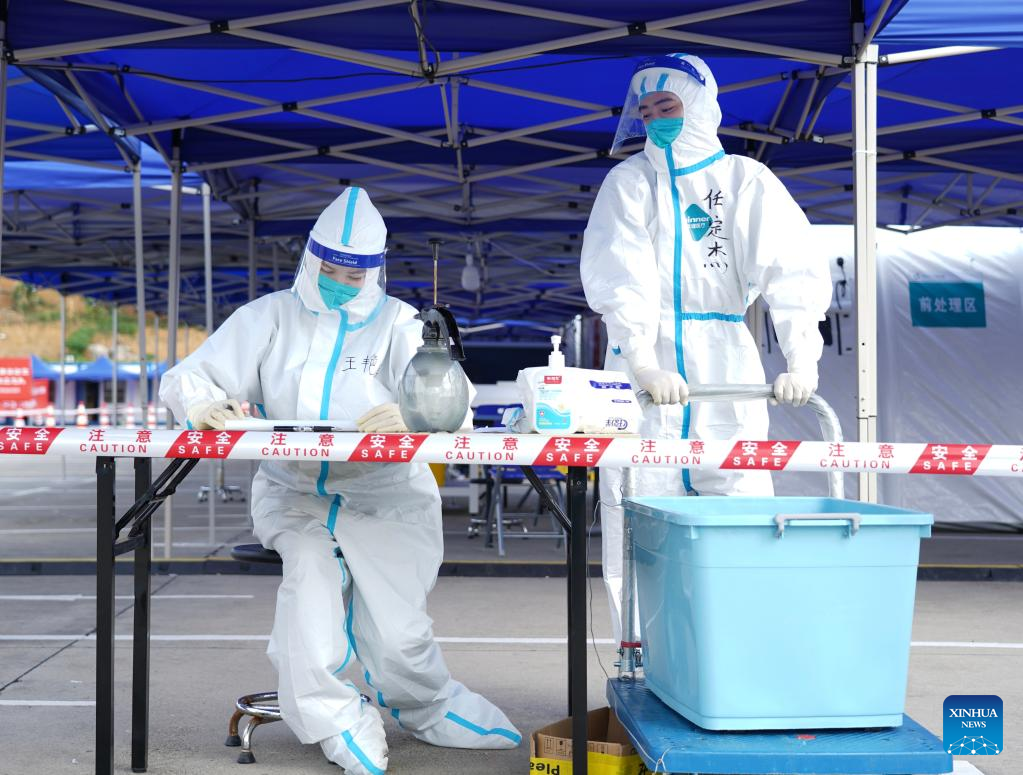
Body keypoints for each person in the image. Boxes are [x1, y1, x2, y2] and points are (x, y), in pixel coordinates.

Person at [160, 187, 520, 774]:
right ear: (310, 258)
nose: (338, 284)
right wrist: (201, 404)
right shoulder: (270, 317)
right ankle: (336, 719)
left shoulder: (400, 323)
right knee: (310, 591)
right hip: (295, 493)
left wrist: (417, 411)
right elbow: (190, 374)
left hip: (387, 496)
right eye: (328, 270)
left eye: (353, 276)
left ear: (374, 272)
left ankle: (428, 706)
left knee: (399, 631)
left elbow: (457, 399)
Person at [580, 54, 832, 642]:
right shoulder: (629, 182)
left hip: (725, 356)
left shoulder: (745, 180)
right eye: (646, 111)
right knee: (639, 509)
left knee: (737, 502)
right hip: (643, 368)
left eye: (667, 105)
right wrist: (642, 358)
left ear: (699, 105)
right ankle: (641, 657)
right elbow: (621, 274)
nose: (656, 119)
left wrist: (802, 358)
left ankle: (740, 651)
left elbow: (791, 268)